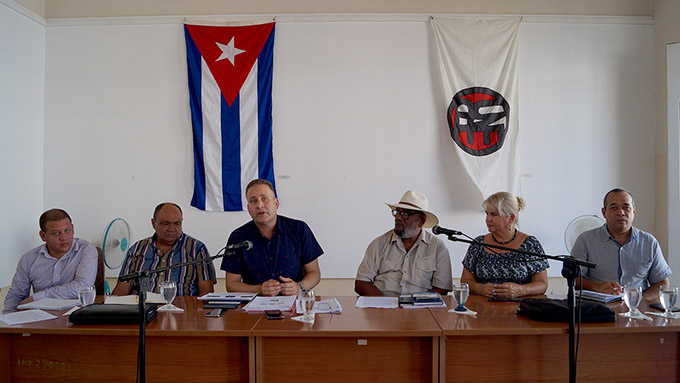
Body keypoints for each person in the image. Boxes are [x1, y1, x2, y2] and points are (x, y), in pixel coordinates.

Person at [221, 179, 323, 296]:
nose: (259, 205)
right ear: (249, 209)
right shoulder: (238, 237)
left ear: (276, 203)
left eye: (264, 198)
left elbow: (314, 273)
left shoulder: (299, 229)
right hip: (253, 307)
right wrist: (259, 289)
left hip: (294, 303)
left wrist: (298, 287)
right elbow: (231, 284)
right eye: (253, 201)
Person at [571, 188, 671, 300]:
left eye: (626, 207)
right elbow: (574, 279)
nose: (620, 212)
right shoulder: (585, 241)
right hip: (597, 309)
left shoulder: (649, 242)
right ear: (604, 212)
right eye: (614, 208)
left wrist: (639, 301)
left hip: (639, 311)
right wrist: (597, 286)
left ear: (633, 211)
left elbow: (662, 283)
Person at [355, 190, 453, 296]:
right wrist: (384, 304)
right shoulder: (379, 244)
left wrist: (416, 303)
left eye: (405, 214)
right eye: (397, 212)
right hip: (383, 307)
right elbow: (361, 283)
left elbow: (442, 288)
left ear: (421, 221)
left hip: (420, 308)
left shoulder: (437, 247)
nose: (398, 218)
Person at [3, 209, 97, 314]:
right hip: (40, 319)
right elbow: (16, 296)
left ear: (73, 229)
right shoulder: (28, 259)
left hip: (76, 317)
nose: (63, 237)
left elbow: (82, 286)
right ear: (43, 236)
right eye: (56, 233)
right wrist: (8, 323)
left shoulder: (86, 249)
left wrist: (38, 297)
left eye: (67, 230)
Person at [111, 202, 216, 297]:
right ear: (153, 223)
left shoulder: (196, 249)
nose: (171, 229)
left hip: (182, 312)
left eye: (177, 224)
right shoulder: (137, 249)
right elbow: (122, 289)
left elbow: (206, 292)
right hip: (141, 312)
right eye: (165, 223)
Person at [461, 192, 548, 300]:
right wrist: (481, 289)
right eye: (486, 213)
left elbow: (542, 284)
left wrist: (520, 290)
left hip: (520, 309)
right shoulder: (478, 244)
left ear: (511, 218)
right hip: (483, 309)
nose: (488, 219)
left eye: (494, 214)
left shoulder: (529, 244)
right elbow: (465, 281)